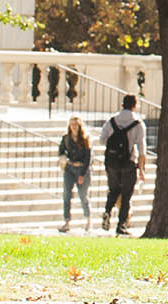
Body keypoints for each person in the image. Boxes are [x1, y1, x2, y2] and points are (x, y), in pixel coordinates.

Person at [100, 95, 148, 236]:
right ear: (135, 105)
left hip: (112, 162)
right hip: (128, 162)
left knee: (113, 190)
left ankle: (107, 211)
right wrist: (141, 170)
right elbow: (142, 150)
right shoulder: (138, 123)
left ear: (122, 105)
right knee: (126, 196)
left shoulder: (112, 120)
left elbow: (102, 140)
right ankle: (121, 225)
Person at [57, 117, 92, 233]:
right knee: (67, 194)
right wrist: (63, 158)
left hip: (82, 169)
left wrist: (82, 174)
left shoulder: (85, 139)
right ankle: (67, 221)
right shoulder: (66, 138)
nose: (74, 127)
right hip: (69, 168)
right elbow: (61, 150)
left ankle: (88, 219)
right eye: (72, 125)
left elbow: (88, 158)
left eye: (76, 125)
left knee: (83, 195)